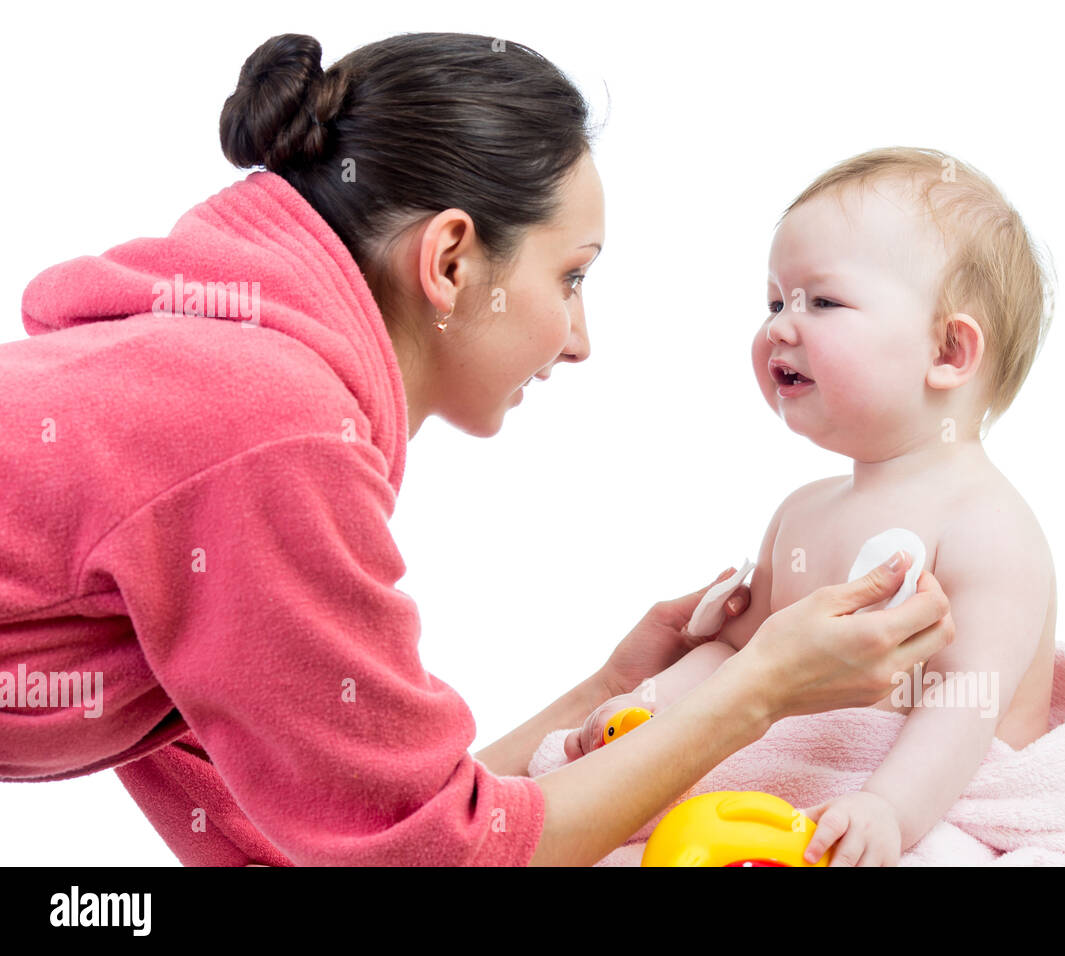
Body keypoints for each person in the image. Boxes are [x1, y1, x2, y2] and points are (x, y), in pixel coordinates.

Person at [0, 32, 953, 867]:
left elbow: (356, 833)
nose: (581, 340)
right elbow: (435, 863)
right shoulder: (268, 432)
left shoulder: (217, 388)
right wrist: (765, 687)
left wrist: (616, 688)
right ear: (451, 261)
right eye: (572, 277)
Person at [558, 147, 1057, 866]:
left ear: (949, 350)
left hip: (944, 807)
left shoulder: (987, 526)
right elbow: (737, 653)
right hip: (810, 799)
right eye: (774, 302)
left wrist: (888, 809)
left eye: (821, 302)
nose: (779, 329)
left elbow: (966, 702)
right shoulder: (803, 510)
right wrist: (650, 705)